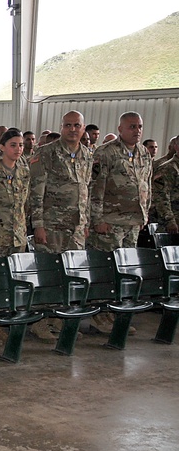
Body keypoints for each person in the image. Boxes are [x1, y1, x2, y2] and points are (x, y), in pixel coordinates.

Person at [28, 110, 93, 341]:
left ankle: (60, 320)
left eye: (77, 125)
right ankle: (40, 321)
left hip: (76, 227)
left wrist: (85, 222)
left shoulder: (87, 154)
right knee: (48, 274)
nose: (72, 129)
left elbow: (87, 190)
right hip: (51, 224)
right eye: (68, 125)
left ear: (83, 128)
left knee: (71, 274)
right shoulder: (47, 153)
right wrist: (38, 225)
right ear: (61, 127)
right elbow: (36, 192)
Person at [87, 112, 152, 334]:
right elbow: (95, 189)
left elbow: (146, 186)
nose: (137, 130)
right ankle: (101, 314)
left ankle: (116, 312)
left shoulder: (143, 152)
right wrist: (97, 218)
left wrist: (144, 215)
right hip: (110, 221)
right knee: (106, 269)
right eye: (132, 126)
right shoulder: (106, 153)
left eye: (139, 126)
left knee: (124, 270)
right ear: (121, 128)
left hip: (132, 222)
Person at [0, 129, 31, 257]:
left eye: (21, 145)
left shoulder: (24, 169)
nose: (18, 149)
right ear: (2, 147)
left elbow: (25, 203)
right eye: (13, 145)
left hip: (18, 234)